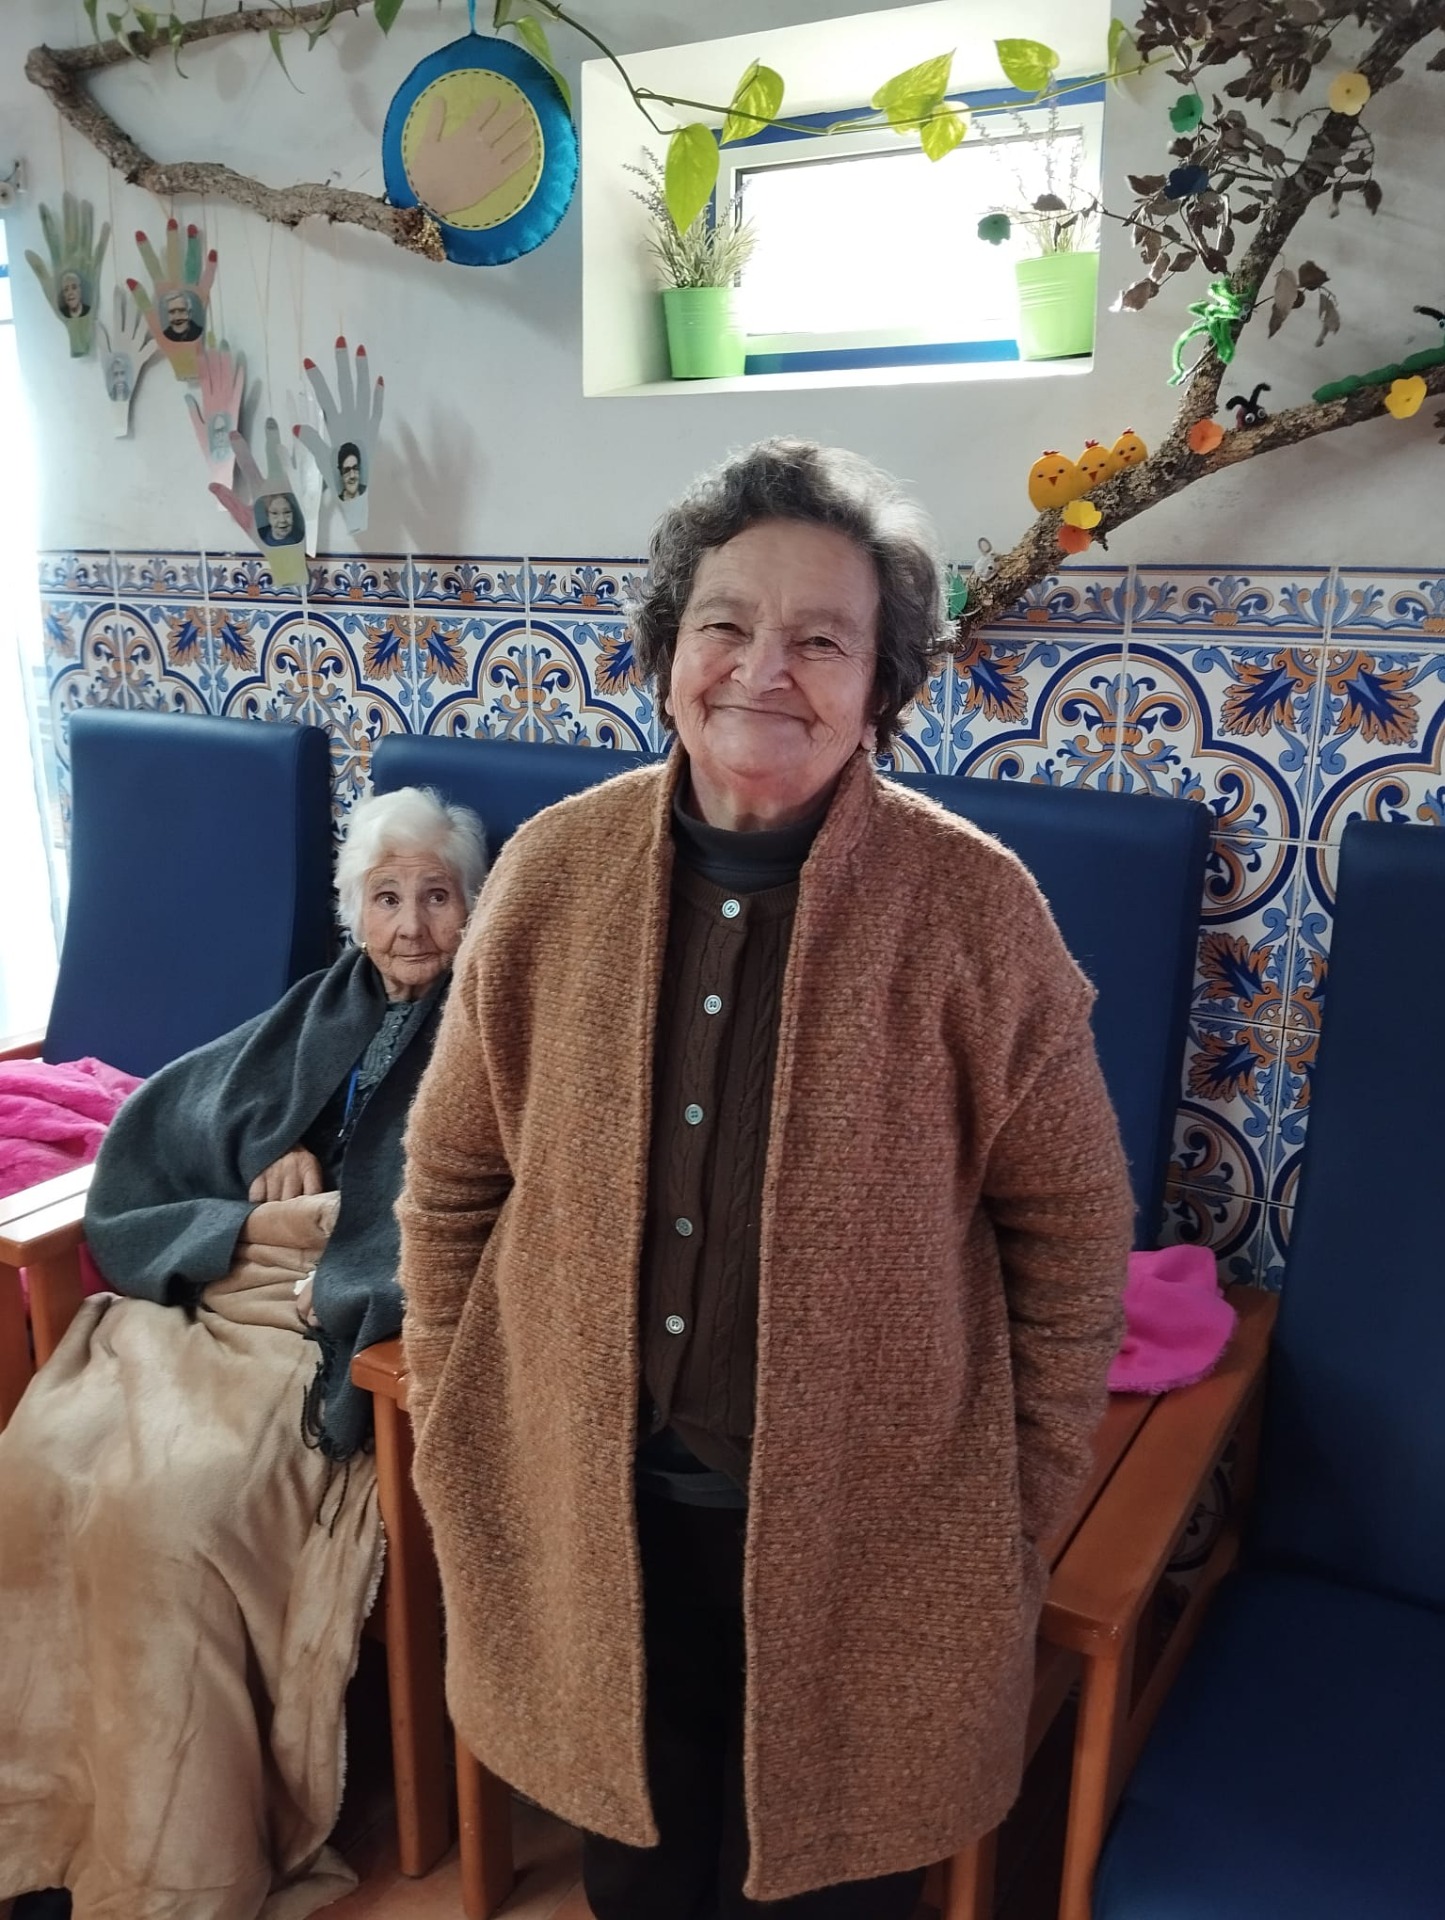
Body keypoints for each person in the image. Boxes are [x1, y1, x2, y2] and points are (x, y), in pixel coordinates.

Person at [397, 438, 1136, 1918]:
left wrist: (1012, 1512)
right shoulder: (547, 876)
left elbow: (1072, 1233)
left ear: (881, 685)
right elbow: (454, 1178)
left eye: (822, 640)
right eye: (724, 624)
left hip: (875, 1558)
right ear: (668, 649)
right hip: (596, 1527)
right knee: (635, 1881)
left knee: (831, 1893)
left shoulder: (975, 912)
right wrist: (460, 1415)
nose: (762, 671)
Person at [0, 786, 487, 1920]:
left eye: (436, 896)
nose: (410, 925)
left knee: (173, 1521)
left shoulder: (488, 1023)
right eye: (385, 898)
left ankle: (170, 1866)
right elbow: (170, 1122)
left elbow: (478, 1208)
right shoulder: (318, 1005)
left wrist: (344, 1248)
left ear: (473, 908)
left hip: (334, 1331)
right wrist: (263, 1170)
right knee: (35, 1468)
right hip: (229, 1288)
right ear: (352, 911)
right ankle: (46, 1821)